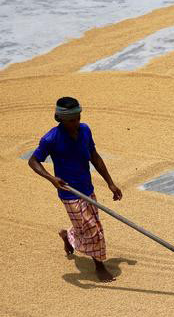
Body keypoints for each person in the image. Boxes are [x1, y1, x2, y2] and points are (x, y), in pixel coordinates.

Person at [28, 97, 122, 282]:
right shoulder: (51, 139)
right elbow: (33, 161)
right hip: (69, 193)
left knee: (89, 224)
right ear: (61, 119)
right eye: (71, 120)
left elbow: (94, 157)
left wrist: (110, 183)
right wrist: (51, 178)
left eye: (78, 118)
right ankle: (99, 266)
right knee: (94, 229)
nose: (76, 123)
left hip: (87, 188)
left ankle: (68, 236)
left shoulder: (85, 130)